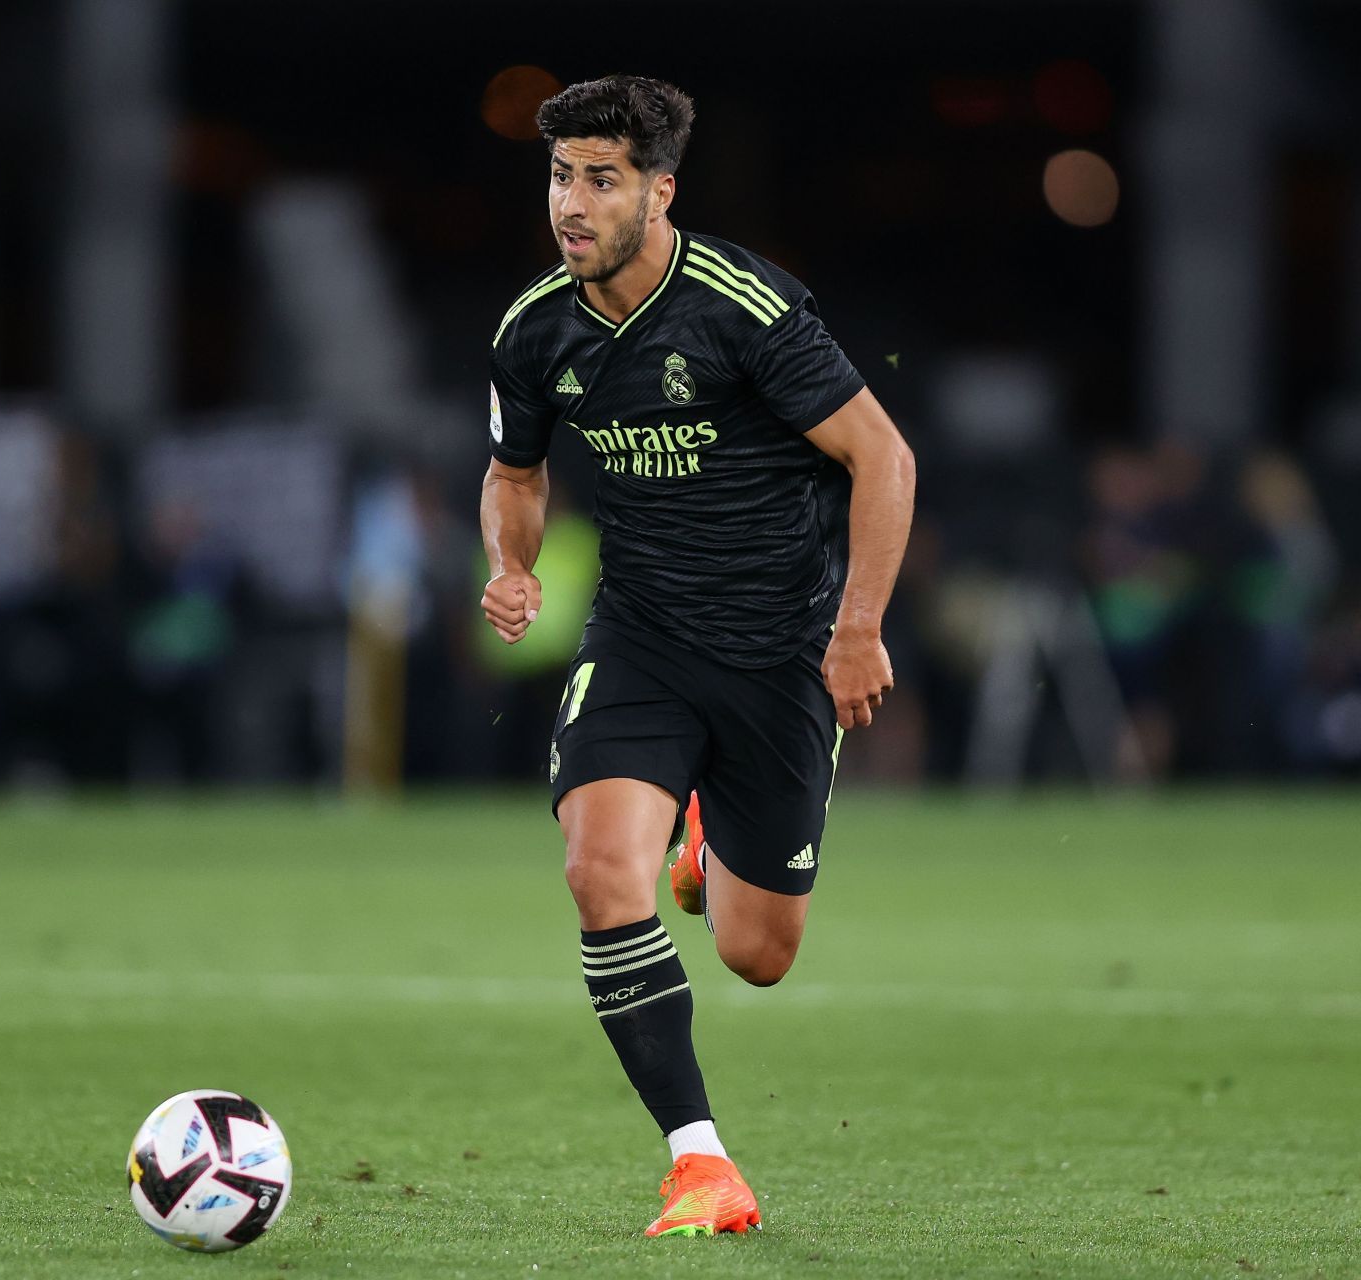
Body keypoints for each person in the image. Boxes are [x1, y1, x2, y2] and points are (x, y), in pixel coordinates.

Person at [477, 75, 916, 1238]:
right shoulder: (536, 328)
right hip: (643, 638)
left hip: (778, 651)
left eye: (602, 179)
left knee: (757, 953)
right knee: (596, 871)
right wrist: (512, 564)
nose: (572, 203)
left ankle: (711, 826)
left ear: (659, 192)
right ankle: (700, 1159)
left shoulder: (743, 306)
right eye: (562, 176)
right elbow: (515, 472)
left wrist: (858, 626)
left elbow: (885, 459)